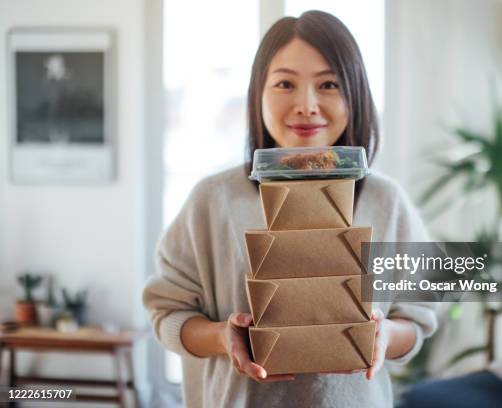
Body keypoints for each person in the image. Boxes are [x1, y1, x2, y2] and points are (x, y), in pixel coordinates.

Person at [143, 10, 437, 408]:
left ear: (355, 95)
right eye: (285, 83)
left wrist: (384, 336)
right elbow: (168, 313)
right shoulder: (212, 200)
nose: (306, 105)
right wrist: (222, 338)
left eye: (329, 84)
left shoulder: (385, 200)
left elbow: (415, 318)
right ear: (258, 94)